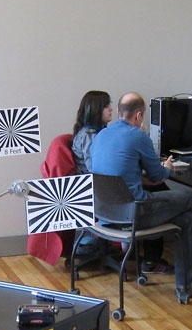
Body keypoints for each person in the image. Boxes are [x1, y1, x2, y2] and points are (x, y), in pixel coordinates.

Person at [91, 92, 192, 299]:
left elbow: (118, 174)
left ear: (119, 113)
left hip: (105, 214)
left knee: (187, 220)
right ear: (138, 115)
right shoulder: (137, 136)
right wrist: (167, 167)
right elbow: (157, 175)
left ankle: (189, 286)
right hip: (133, 213)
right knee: (189, 198)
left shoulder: (101, 135)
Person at [72, 91, 171, 273]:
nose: (110, 109)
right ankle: (151, 259)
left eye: (111, 106)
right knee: (162, 193)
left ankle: (145, 256)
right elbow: (99, 171)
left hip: (106, 195)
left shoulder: (101, 134)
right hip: (102, 196)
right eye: (105, 106)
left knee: (157, 187)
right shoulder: (91, 136)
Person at [71, 90, 113, 174]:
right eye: (106, 106)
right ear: (95, 110)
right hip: (93, 182)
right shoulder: (88, 135)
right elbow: (94, 169)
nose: (111, 109)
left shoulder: (94, 133)